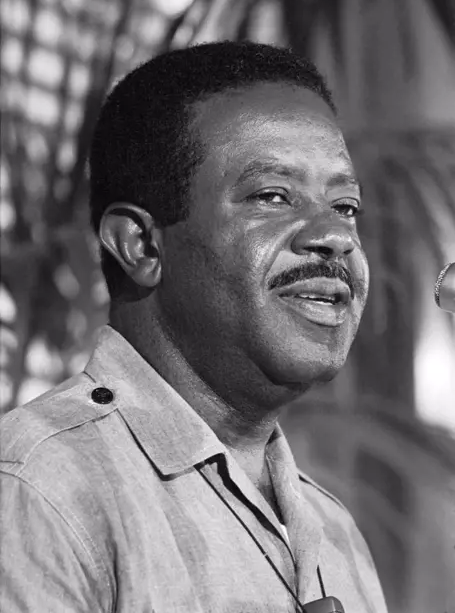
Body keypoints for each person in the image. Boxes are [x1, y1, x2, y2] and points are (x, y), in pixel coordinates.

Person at [0, 41, 388, 612]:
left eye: (346, 205)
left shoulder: (337, 533)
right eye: (273, 195)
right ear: (142, 245)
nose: (336, 236)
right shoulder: (42, 488)